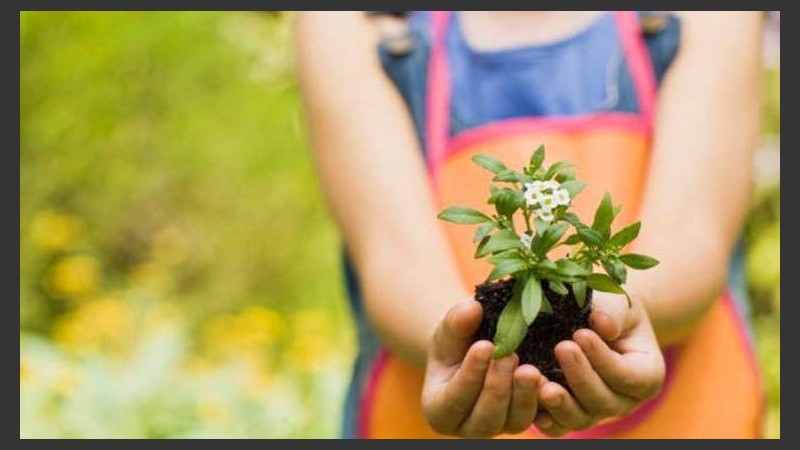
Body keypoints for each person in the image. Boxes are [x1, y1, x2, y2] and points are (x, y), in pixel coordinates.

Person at [296, 11, 765, 438]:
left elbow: (694, 238)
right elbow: (392, 259)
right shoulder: (355, 22)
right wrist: (472, 348)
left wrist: (614, 311)